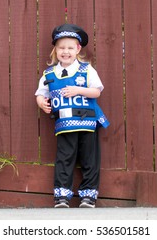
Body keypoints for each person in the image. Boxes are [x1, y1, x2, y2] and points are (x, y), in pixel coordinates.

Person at [35, 23, 109, 208]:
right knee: (64, 159)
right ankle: (61, 196)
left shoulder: (87, 70)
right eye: (61, 48)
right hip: (65, 125)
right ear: (55, 50)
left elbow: (97, 92)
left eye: (69, 47)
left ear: (77, 49)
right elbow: (40, 92)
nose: (65, 52)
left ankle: (89, 195)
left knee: (89, 159)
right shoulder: (49, 74)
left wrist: (79, 90)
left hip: (87, 123)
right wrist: (41, 102)